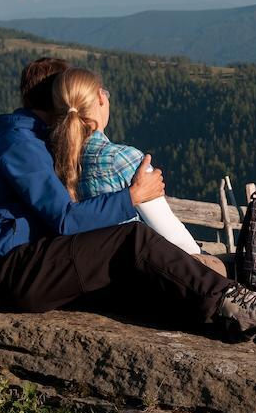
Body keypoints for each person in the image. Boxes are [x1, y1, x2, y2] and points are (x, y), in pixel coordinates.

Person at [0, 57, 256, 350]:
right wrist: (132, 197)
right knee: (131, 240)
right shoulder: (21, 145)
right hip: (13, 269)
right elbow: (63, 218)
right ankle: (239, 304)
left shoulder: (39, 140)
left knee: (142, 278)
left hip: (37, 265)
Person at [46, 67, 226, 277]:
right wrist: (206, 262)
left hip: (91, 277)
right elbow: (174, 237)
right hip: (142, 276)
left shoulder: (53, 163)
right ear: (100, 98)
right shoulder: (123, 159)